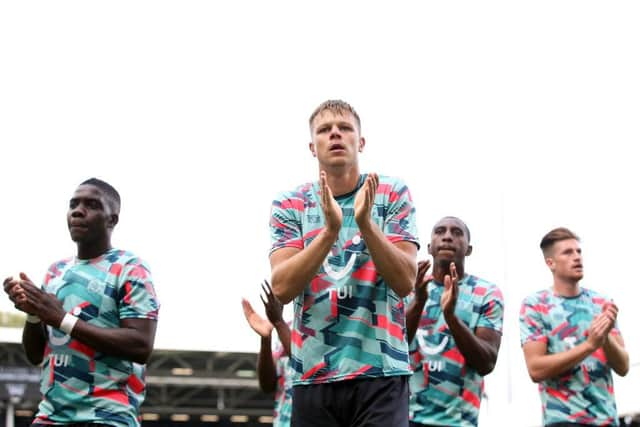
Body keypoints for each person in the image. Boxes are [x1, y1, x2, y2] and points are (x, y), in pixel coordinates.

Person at [269, 99, 420, 427]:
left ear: (360, 142)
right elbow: (281, 288)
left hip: (382, 372)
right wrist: (330, 232)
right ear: (313, 146)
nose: (335, 134)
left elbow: (406, 281)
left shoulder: (391, 193)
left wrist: (366, 224)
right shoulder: (289, 204)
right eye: (324, 130)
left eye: (345, 128)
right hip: (314, 375)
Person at [3, 178, 159, 427]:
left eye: (92, 205)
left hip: (107, 415)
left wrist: (61, 319)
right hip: (51, 416)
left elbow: (141, 346)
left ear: (112, 219)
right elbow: (35, 356)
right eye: (73, 204)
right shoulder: (55, 272)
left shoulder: (130, 268)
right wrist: (33, 314)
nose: (78, 210)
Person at [519, 227, 629, 427]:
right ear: (550, 263)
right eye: (568, 252)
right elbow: (535, 368)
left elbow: (623, 367)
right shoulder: (535, 305)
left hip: (607, 420)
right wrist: (589, 345)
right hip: (563, 420)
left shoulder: (601, 302)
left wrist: (605, 339)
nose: (577, 257)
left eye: (579, 251)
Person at [405, 216, 504, 427]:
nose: (448, 237)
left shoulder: (486, 293)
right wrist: (419, 302)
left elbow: (486, 363)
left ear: (469, 249)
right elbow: (393, 349)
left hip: (459, 421)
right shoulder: (408, 287)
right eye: (440, 231)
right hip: (407, 418)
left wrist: (452, 319)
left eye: (457, 233)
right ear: (430, 247)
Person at [242, 280, 293, 427]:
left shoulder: (321, 328)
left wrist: (278, 323)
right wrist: (266, 339)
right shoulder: (287, 328)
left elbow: (305, 365)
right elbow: (267, 385)